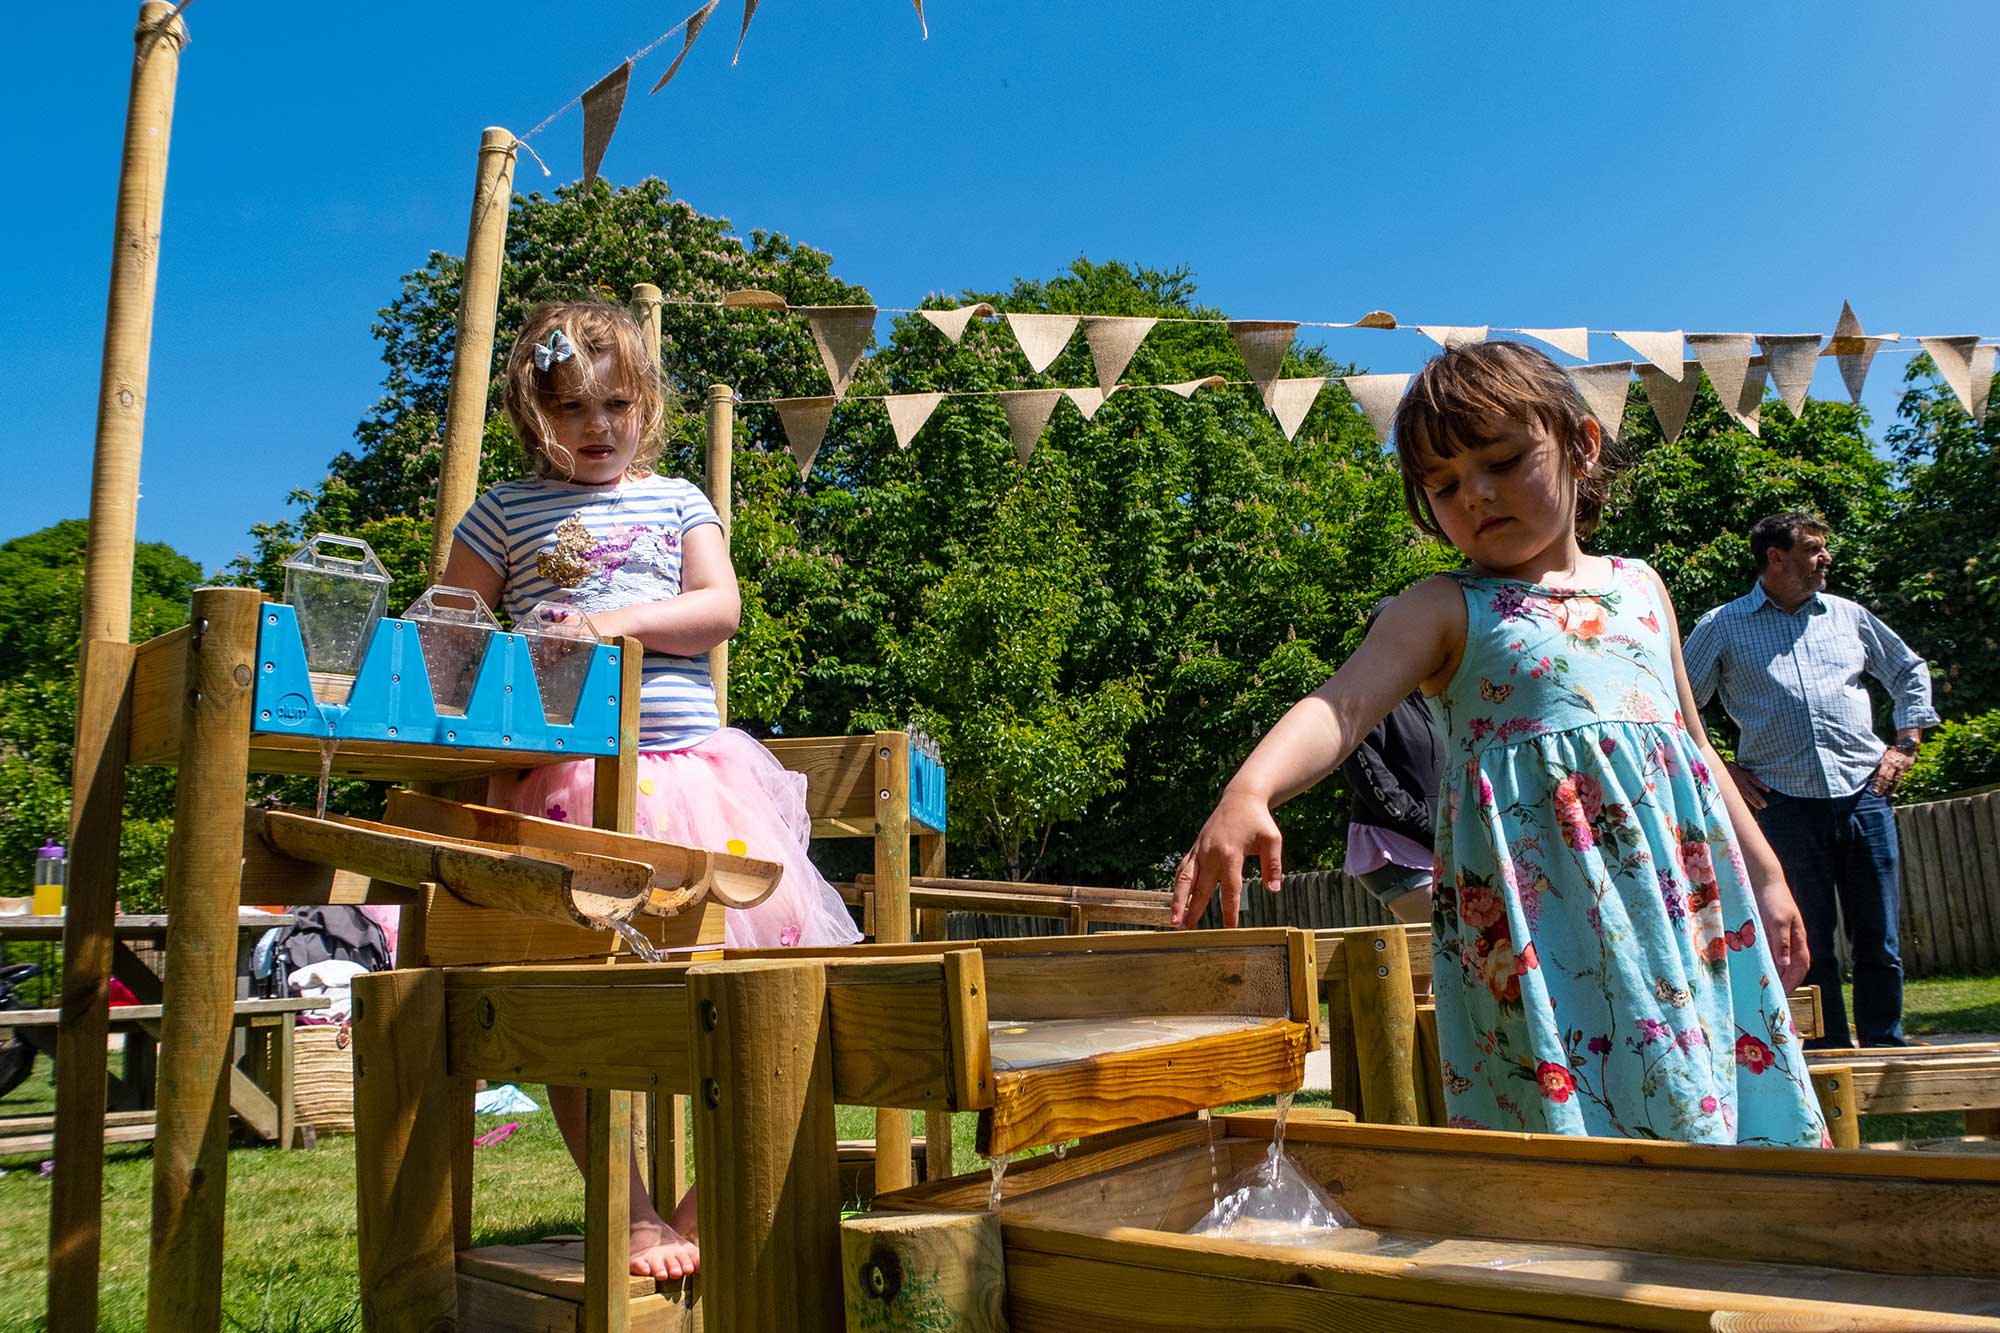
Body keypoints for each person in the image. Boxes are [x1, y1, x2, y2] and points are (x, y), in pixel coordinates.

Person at [1170, 341, 1827, 1146]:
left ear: (1582, 444)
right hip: (1542, 937)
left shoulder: (1642, 586)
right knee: (1576, 1137)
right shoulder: (1444, 609)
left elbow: (1691, 742)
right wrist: (1250, 789)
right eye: (1442, 485)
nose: (1474, 494)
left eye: (1504, 460)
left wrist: (1765, 872)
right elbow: (1339, 709)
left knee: (1715, 1107)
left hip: (1682, 913)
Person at [443, 299, 862, 1279]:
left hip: (693, 783)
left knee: (761, 995)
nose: (597, 428)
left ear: (647, 406)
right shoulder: (503, 510)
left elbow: (719, 609)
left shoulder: (676, 500)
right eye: (572, 409)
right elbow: (447, 629)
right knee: (579, 1012)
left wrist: (613, 621)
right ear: (530, 415)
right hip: (566, 789)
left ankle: (707, 1198)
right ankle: (630, 1212)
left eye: (617, 404)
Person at [1682, 513, 1937, 1050]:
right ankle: (1825, 1052)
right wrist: (1725, 769)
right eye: (1815, 548)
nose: (1826, 558)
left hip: (1863, 795)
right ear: (1777, 557)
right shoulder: (1722, 626)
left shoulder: (1848, 616)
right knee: (1805, 938)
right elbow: (1679, 705)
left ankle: (1885, 1043)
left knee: (1878, 935)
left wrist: (1906, 743)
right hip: (1782, 804)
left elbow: (1909, 670)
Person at [1342, 601, 1442, 926]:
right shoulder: (1370, 694)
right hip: (1393, 841)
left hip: (1436, 841)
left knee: (1427, 965)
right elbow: (1366, 770)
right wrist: (1422, 823)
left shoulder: (1432, 698)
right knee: (1455, 935)